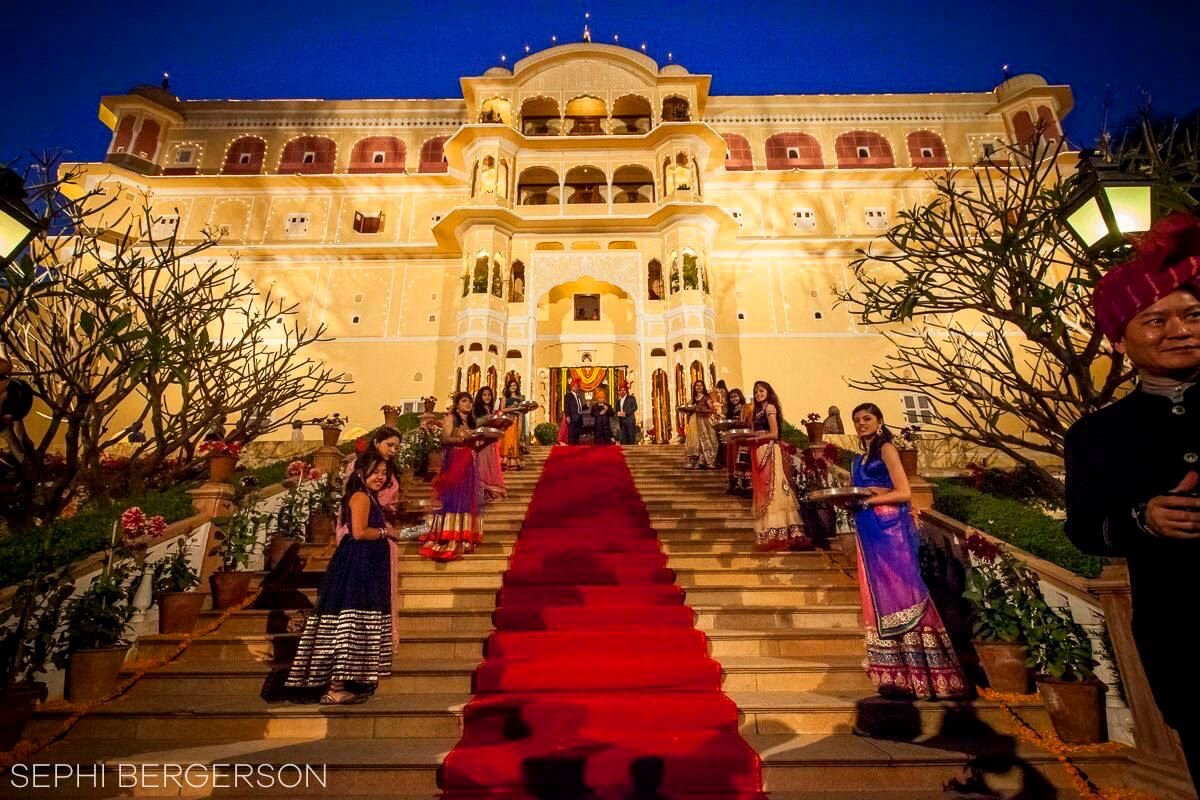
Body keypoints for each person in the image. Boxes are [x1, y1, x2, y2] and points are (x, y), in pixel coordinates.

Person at [1065, 213, 1200, 781]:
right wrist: (1142, 519)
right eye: (1156, 320)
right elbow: (1083, 527)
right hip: (1186, 637)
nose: (1179, 330)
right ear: (1121, 338)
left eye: (1193, 315)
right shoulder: (1098, 434)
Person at [850, 402, 966, 699]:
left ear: (879, 420)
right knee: (878, 595)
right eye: (857, 420)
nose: (861, 424)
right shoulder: (859, 458)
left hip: (890, 529)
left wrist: (868, 499)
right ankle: (897, 673)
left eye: (867, 418)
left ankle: (926, 672)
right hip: (869, 529)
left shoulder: (886, 448)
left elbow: (904, 492)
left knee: (904, 590)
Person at [286, 452, 395, 704]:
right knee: (349, 622)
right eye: (375, 471)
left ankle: (341, 684)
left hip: (364, 564)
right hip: (359, 566)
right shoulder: (360, 497)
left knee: (352, 622)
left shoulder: (370, 498)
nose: (380, 477)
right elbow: (358, 532)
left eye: (384, 473)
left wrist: (409, 530)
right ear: (360, 472)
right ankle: (335, 687)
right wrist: (385, 531)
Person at [422, 392, 484, 562]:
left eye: (470, 401)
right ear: (457, 404)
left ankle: (463, 535)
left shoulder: (470, 422)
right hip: (455, 461)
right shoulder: (452, 418)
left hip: (469, 463)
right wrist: (463, 439)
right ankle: (448, 534)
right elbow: (445, 438)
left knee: (466, 498)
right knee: (452, 496)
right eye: (464, 401)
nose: (468, 404)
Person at [747, 381, 807, 550]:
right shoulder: (757, 411)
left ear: (768, 392)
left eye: (761, 390)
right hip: (760, 451)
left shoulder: (769, 408)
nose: (758, 394)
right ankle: (770, 533)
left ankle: (783, 531)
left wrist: (757, 438)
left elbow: (774, 433)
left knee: (775, 489)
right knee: (765, 490)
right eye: (756, 391)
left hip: (770, 450)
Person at [473, 386, 506, 500]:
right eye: (484, 395)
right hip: (482, 441)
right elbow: (475, 423)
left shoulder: (493, 410)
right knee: (482, 464)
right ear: (480, 396)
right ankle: (483, 491)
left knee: (492, 465)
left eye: (489, 395)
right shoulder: (476, 409)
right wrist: (487, 419)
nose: (487, 397)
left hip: (492, 441)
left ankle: (492, 491)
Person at [684, 379, 719, 469]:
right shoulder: (692, 399)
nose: (699, 387)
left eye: (701, 385)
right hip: (694, 421)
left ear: (703, 387)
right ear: (694, 388)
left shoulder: (707, 398)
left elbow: (712, 410)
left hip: (704, 421)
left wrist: (701, 410)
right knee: (695, 440)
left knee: (706, 440)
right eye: (697, 386)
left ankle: (707, 460)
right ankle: (695, 460)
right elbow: (689, 408)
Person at [724, 388, 754, 493]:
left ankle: (745, 484)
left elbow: (750, 424)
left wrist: (740, 424)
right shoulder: (729, 411)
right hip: (732, 440)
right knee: (732, 460)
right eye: (731, 397)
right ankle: (733, 483)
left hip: (743, 439)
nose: (734, 399)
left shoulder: (747, 409)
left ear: (740, 397)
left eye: (736, 396)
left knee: (741, 461)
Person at [500, 379, 525, 470]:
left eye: (514, 385)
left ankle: (515, 461)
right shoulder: (505, 397)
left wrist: (521, 409)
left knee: (516, 439)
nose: (513, 387)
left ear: (517, 387)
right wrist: (513, 409)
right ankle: (505, 460)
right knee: (508, 440)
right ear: (508, 387)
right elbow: (502, 409)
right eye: (511, 385)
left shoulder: (520, 398)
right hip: (508, 421)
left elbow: (523, 409)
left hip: (518, 421)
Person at [564, 378, 586, 445]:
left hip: (579, 417)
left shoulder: (578, 396)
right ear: (571, 387)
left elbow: (579, 408)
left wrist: (586, 406)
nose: (576, 388)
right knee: (572, 434)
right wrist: (567, 416)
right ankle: (571, 448)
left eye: (577, 387)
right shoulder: (568, 395)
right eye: (574, 386)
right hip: (572, 417)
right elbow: (566, 406)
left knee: (577, 434)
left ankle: (576, 448)